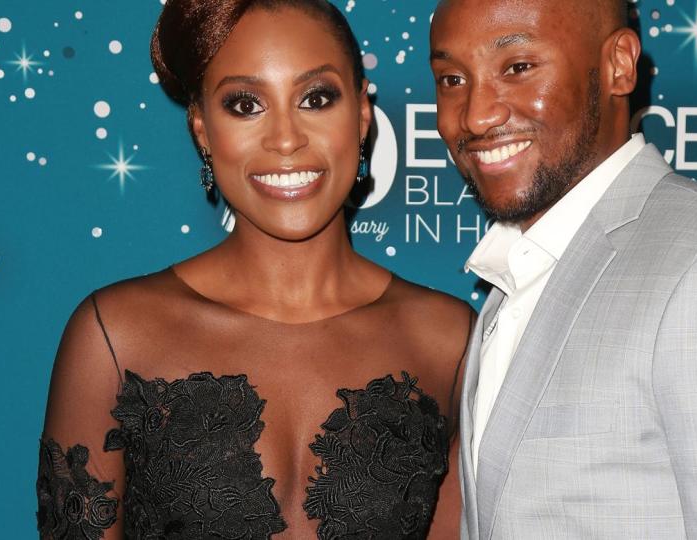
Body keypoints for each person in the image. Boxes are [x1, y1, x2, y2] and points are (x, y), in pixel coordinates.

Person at [37, 1, 472, 538]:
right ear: (202, 129)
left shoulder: (448, 339)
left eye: (316, 98)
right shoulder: (115, 335)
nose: (285, 139)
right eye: (245, 105)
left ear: (361, 115)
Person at [430, 0, 697, 538]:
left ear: (619, 65)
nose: (475, 115)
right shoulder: (514, 277)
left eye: (517, 68)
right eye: (451, 79)